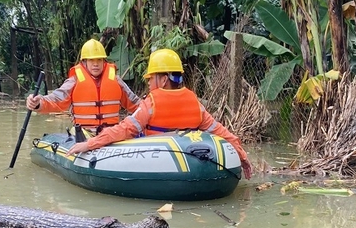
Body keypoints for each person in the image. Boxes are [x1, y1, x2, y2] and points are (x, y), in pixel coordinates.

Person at [67, 48, 254, 179]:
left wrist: (90, 143)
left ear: (164, 80)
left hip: (159, 167)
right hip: (197, 168)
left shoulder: (151, 104)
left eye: (151, 78)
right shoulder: (196, 104)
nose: (148, 83)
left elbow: (123, 130)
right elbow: (223, 134)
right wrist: (242, 157)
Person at [26, 39, 140, 133]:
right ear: (84, 61)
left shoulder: (116, 80)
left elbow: (134, 103)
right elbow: (56, 99)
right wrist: (38, 103)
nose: (96, 64)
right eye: (91, 60)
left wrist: (151, 107)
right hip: (84, 133)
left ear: (104, 61)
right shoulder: (74, 81)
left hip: (111, 134)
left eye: (99, 60)